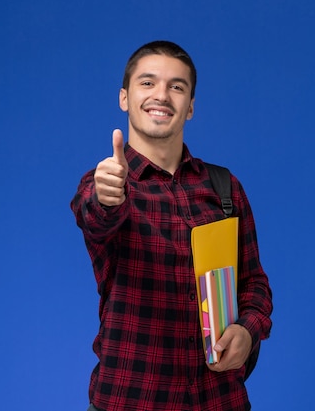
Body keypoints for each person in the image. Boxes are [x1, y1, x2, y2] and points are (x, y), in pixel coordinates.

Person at [71, 40, 272, 411]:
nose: (161, 95)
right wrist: (106, 195)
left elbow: (255, 283)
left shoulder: (224, 187)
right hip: (130, 400)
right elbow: (95, 216)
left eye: (176, 86)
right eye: (147, 83)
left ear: (190, 106)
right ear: (124, 98)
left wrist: (248, 329)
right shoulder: (107, 184)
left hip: (220, 400)